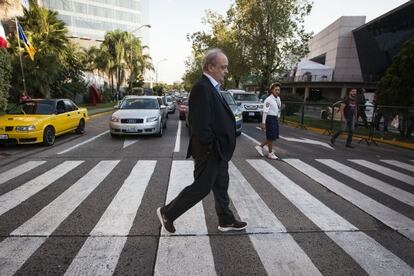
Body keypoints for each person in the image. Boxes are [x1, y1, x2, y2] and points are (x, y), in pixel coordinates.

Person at [156, 48, 247, 233]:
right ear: (211, 67)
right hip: (209, 151)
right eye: (223, 67)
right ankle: (167, 213)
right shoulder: (201, 88)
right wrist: (214, 147)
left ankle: (226, 220)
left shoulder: (212, 87)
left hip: (218, 151)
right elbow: (199, 126)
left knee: (221, 185)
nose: (226, 71)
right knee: (202, 188)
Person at [255, 83, 282, 160]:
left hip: (275, 118)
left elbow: (279, 108)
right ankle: (270, 153)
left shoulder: (278, 99)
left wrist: (279, 116)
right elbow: (265, 112)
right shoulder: (268, 100)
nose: (277, 91)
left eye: (278, 90)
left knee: (273, 136)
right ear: (272, 90)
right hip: (269, 119)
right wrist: (263, 123)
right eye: (276, 90)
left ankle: (260, 147)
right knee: (270, 136)